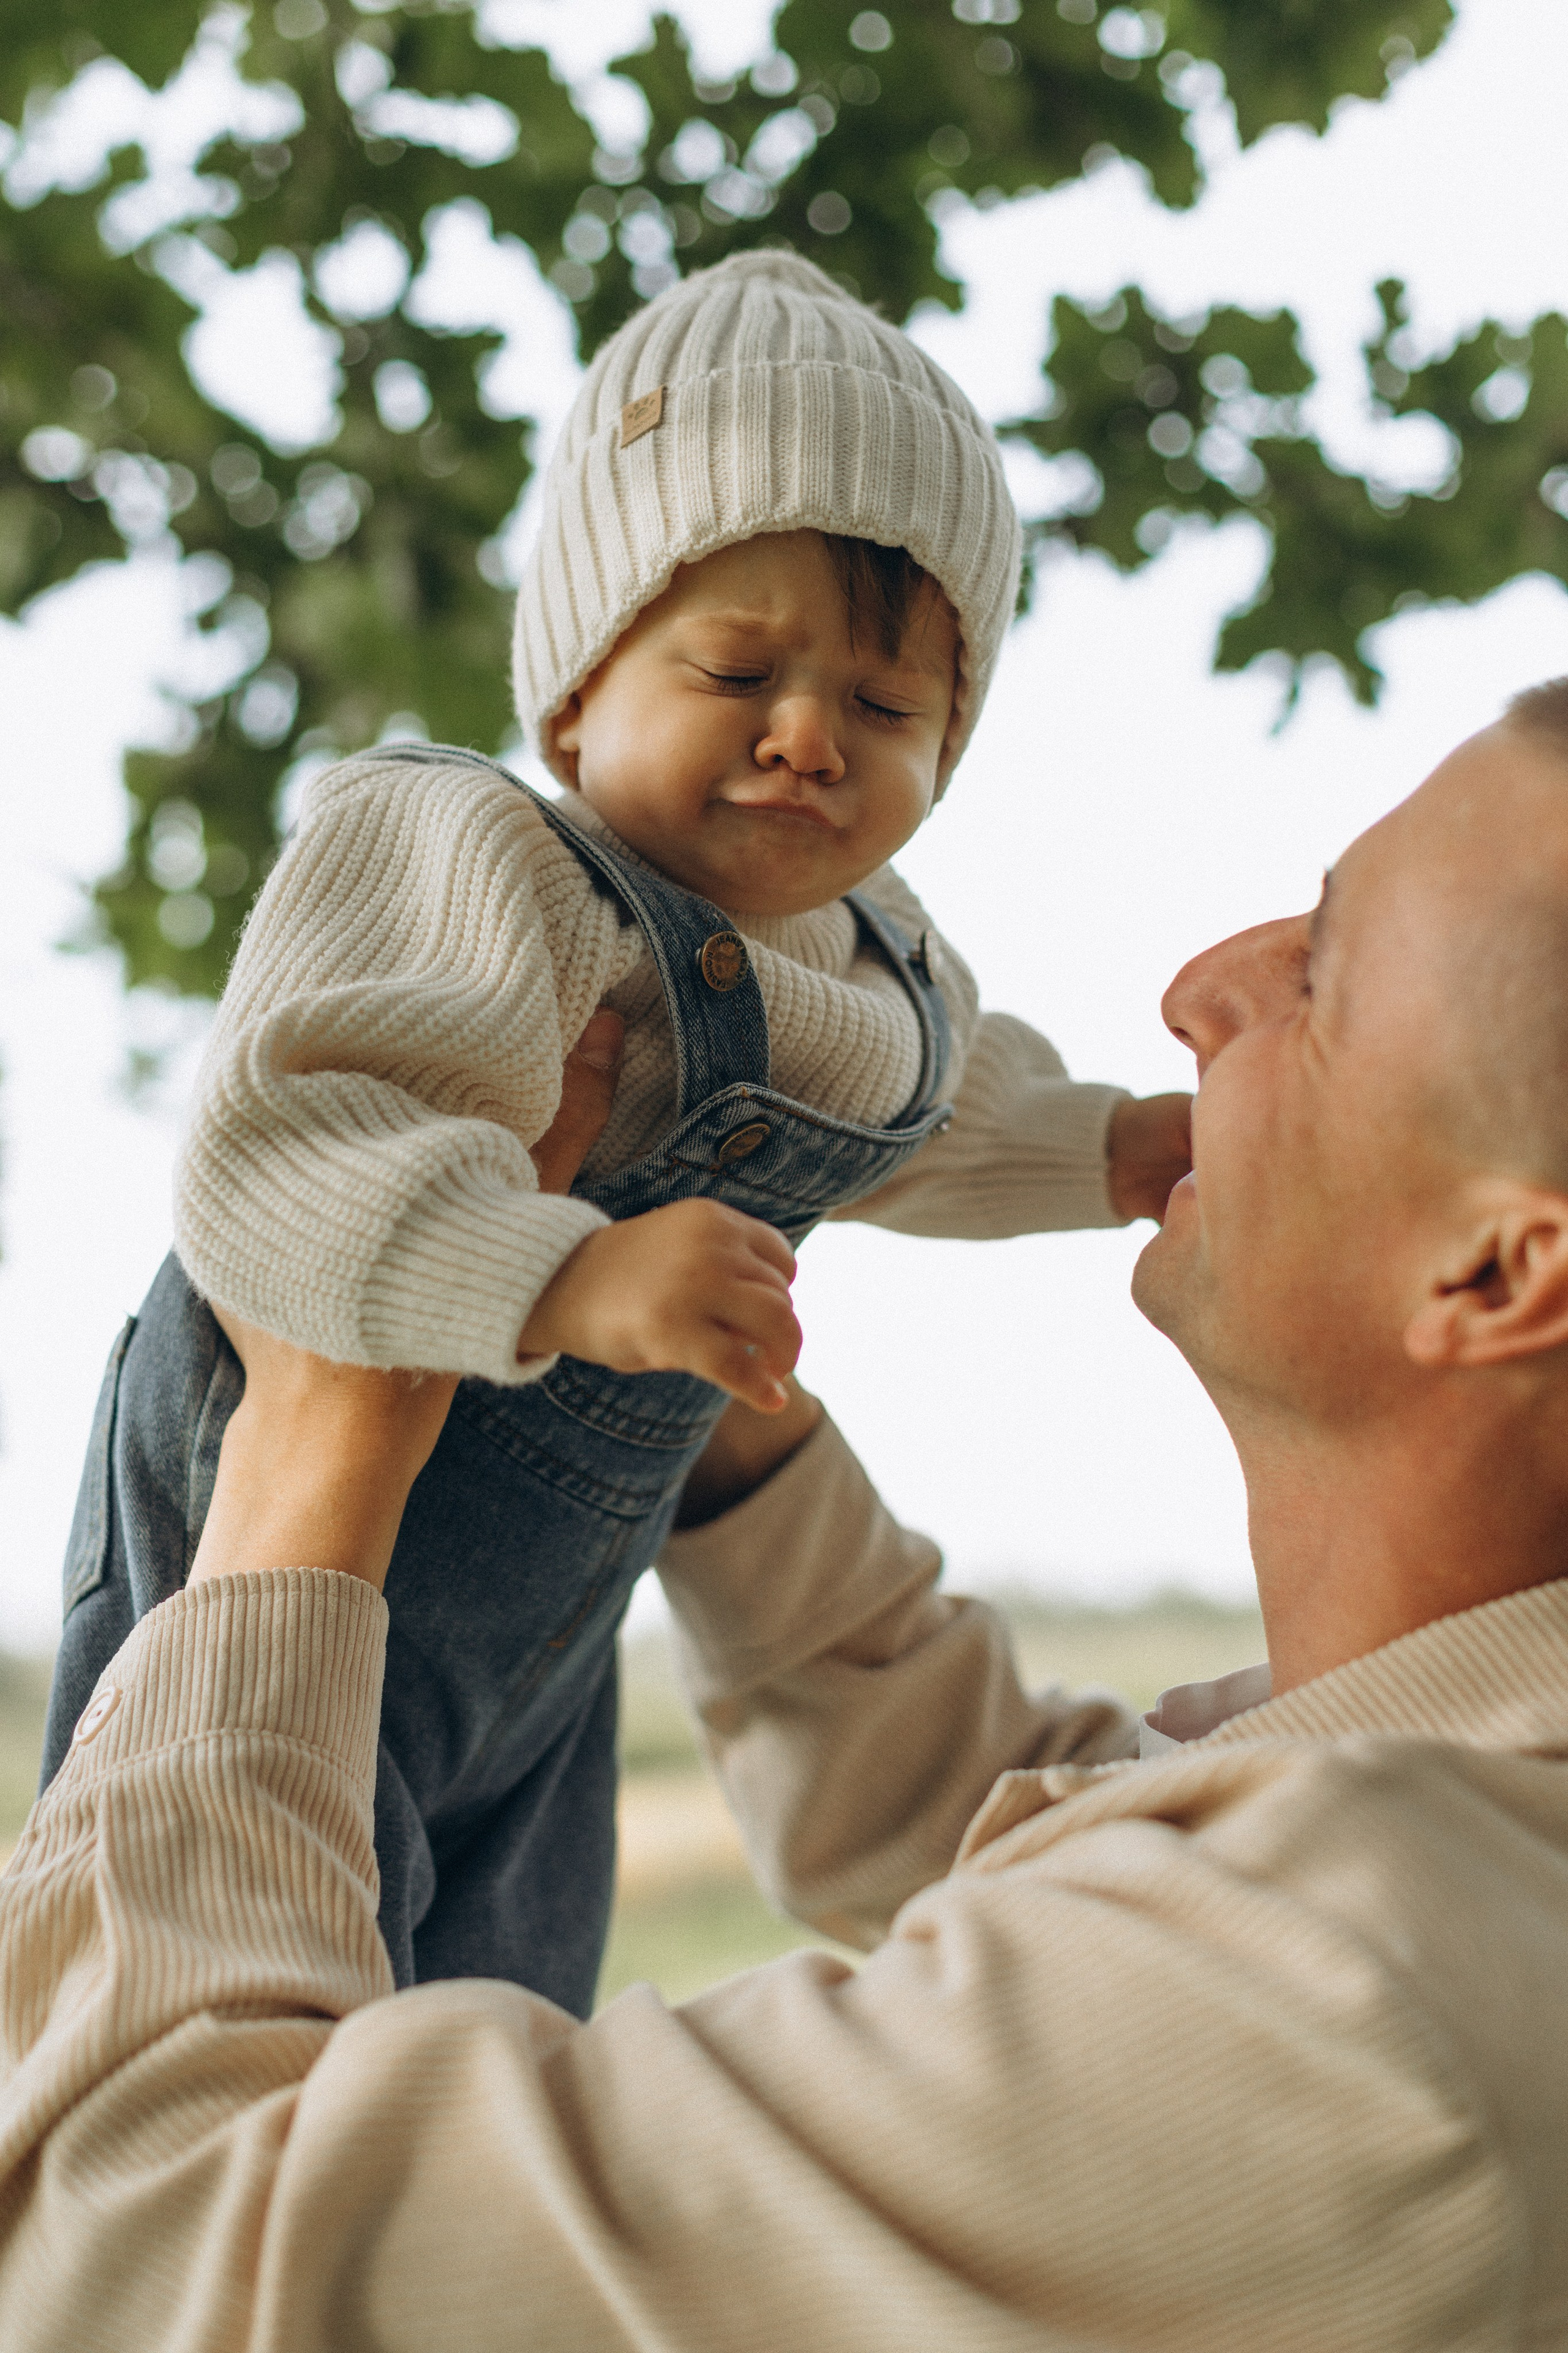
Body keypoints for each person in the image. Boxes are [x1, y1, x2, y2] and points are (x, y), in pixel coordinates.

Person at [9, 687, 1568, 2349]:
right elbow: (1018, 1822)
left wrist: (308, 1470)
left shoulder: (1360, 2015)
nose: (1200, 989)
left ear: (1498, 1269)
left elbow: (145, 2259)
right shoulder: (1449, 1845)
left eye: (1320, 975)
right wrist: (665, 1394)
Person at [39, 248, 1189, 2012]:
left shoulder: (881, 973)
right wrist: (563, 1271)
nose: (809, 739)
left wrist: (1115, 1150)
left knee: (493, 2010)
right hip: (270, 1517)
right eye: (738, 671)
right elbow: (292, 1143)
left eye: (886, 711)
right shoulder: (478, 861)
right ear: (578, 688)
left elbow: (937, 1113)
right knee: (226, 1927)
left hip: (554, 1638)